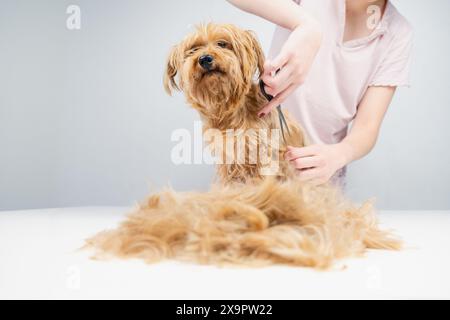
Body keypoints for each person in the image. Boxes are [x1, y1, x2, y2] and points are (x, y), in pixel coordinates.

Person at [226, 0, 413, 186]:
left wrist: (338, 154)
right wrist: (306, 25)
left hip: (316, 183)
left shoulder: (397, 33)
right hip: (256, 169)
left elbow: (367, 128)